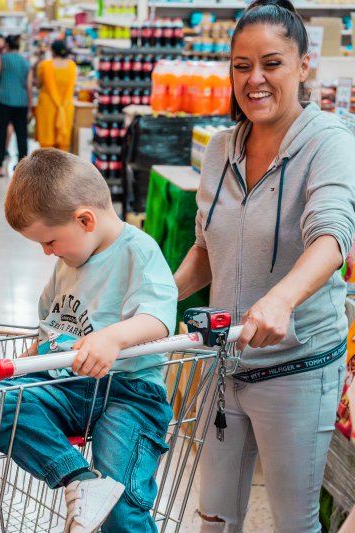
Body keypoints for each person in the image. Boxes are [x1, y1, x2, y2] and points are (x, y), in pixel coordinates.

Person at [173, 0, 355, 530]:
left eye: (271, 63)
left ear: (304, 66)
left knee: (292, 522)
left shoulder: (330, 144)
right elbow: (207, 250)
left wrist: (280, 299)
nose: (255, 79)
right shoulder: (220, 148)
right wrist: (158, 299)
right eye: (241, 65)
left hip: (297, 368)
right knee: (213, 514)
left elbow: (332, 236)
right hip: (222, 365)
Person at [0, 148, 178, 532]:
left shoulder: (138, 252)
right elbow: (49, 332)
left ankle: (102, 493)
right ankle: (80, 482)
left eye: (49, 241)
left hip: (128, 392)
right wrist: (21, 368)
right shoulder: (66, 265)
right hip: (67, 384)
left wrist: (112, 339)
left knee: (122, 503)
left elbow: (159, 318)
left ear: (85, 219)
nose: (47, 252)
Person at [0, 34, 32, 177]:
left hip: (5, 101)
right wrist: (30, 106)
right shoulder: (25, 62)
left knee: (1, 134)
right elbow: (29, 85)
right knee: (22, 136)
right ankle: (24, 170)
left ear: (7, 46)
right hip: (22, 102)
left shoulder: (2, 59)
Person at [35, 40, 77, 150]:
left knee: (46, 144)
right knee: (63, 146)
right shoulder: (72, 66)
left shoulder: (45, 65)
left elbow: (38, 84)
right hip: (66, 107)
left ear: (53, 51)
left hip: (47, 107)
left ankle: (46, 167)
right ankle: (61, 167)